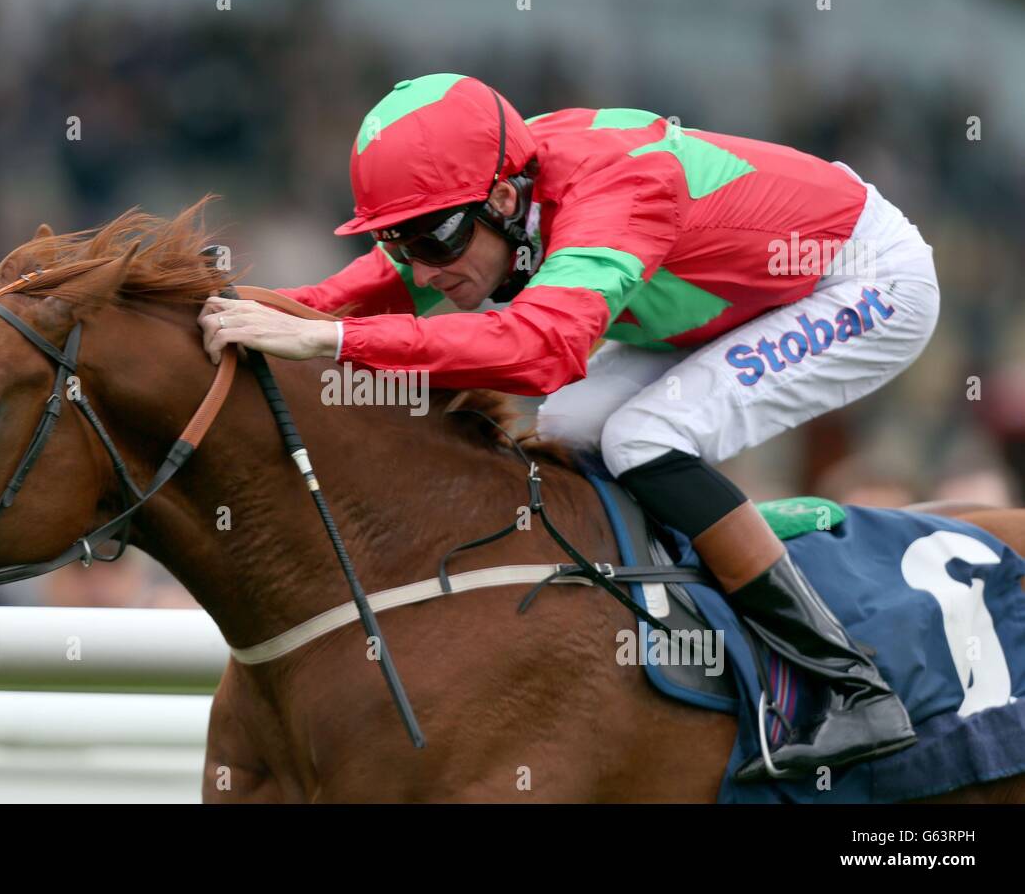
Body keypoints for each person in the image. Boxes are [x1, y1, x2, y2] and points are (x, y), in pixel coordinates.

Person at [197, 74, 940, 780]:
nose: (423, 272)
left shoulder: (618, 191)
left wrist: (332, 343)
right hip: (734, 294)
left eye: (435, 240)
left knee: (640, 437)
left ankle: (850, 685)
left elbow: (540, 350)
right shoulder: (505, 192)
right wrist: (257, 307)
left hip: (862, 280)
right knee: (576, 424)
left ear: (504, 196)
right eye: (401, 240)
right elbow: (372, 283)